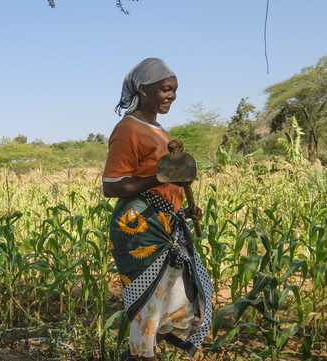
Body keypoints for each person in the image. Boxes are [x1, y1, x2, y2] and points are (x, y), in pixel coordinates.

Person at [102, 58, 213, 361]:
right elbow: (111, 186)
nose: (171, 95)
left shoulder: (160, 131)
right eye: (165, 89)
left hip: (166, 225)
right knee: (150, 305)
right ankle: (141, 354)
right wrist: (160, 176)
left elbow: (166, 183)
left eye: (174, 90)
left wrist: (182, 208)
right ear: (143, 89)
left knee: (179, 303)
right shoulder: (127, 128)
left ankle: (136, 355)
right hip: (139, 227)